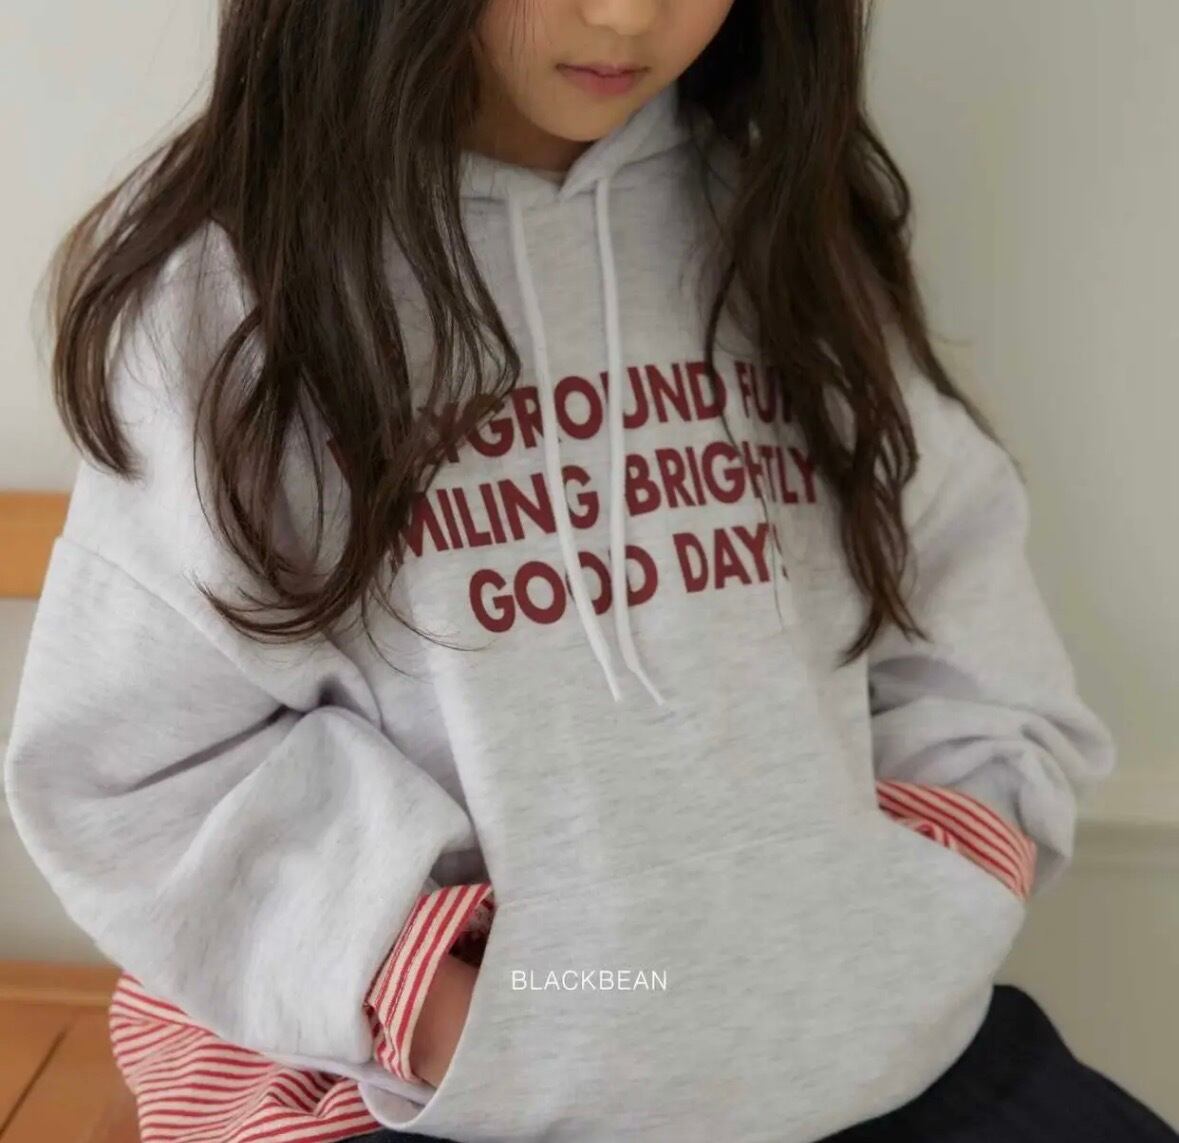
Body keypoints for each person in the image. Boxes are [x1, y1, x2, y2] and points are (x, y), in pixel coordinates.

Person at [4, 1, 1174, 1141]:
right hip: (418, 1093)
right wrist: (464, 1017)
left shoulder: (782, 226)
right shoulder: (234, 298)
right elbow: (136, 772)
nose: (624, 17)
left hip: (881, 1058)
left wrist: (893, 934)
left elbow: (962, 612)